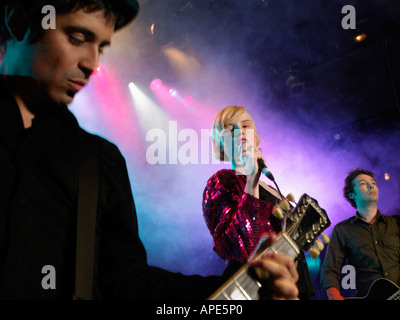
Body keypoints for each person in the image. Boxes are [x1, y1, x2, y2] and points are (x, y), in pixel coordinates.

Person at [0, 0, 299, 300]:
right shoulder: (220, 183)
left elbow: (127, 282)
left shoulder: (98, 161)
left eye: (102, 48)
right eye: (77, 39)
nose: (92, 63)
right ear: (18, 20)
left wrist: (243, 293)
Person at [202, 105, 314, 299]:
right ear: (220, 145)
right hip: (257, 289)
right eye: (229, 129)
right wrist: (252, 176)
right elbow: (237, 248)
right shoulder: (222, 180)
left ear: (255, 137)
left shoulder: (270, 186)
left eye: (246, 126)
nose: (240, 132)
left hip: (293, 286)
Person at [320, 168, 400, 299]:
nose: (370, 186)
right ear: (352, 194)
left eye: (373, 183)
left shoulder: (396, 224)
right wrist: (334, 296)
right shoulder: (343, 230)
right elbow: (329, 270)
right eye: (363, 183)